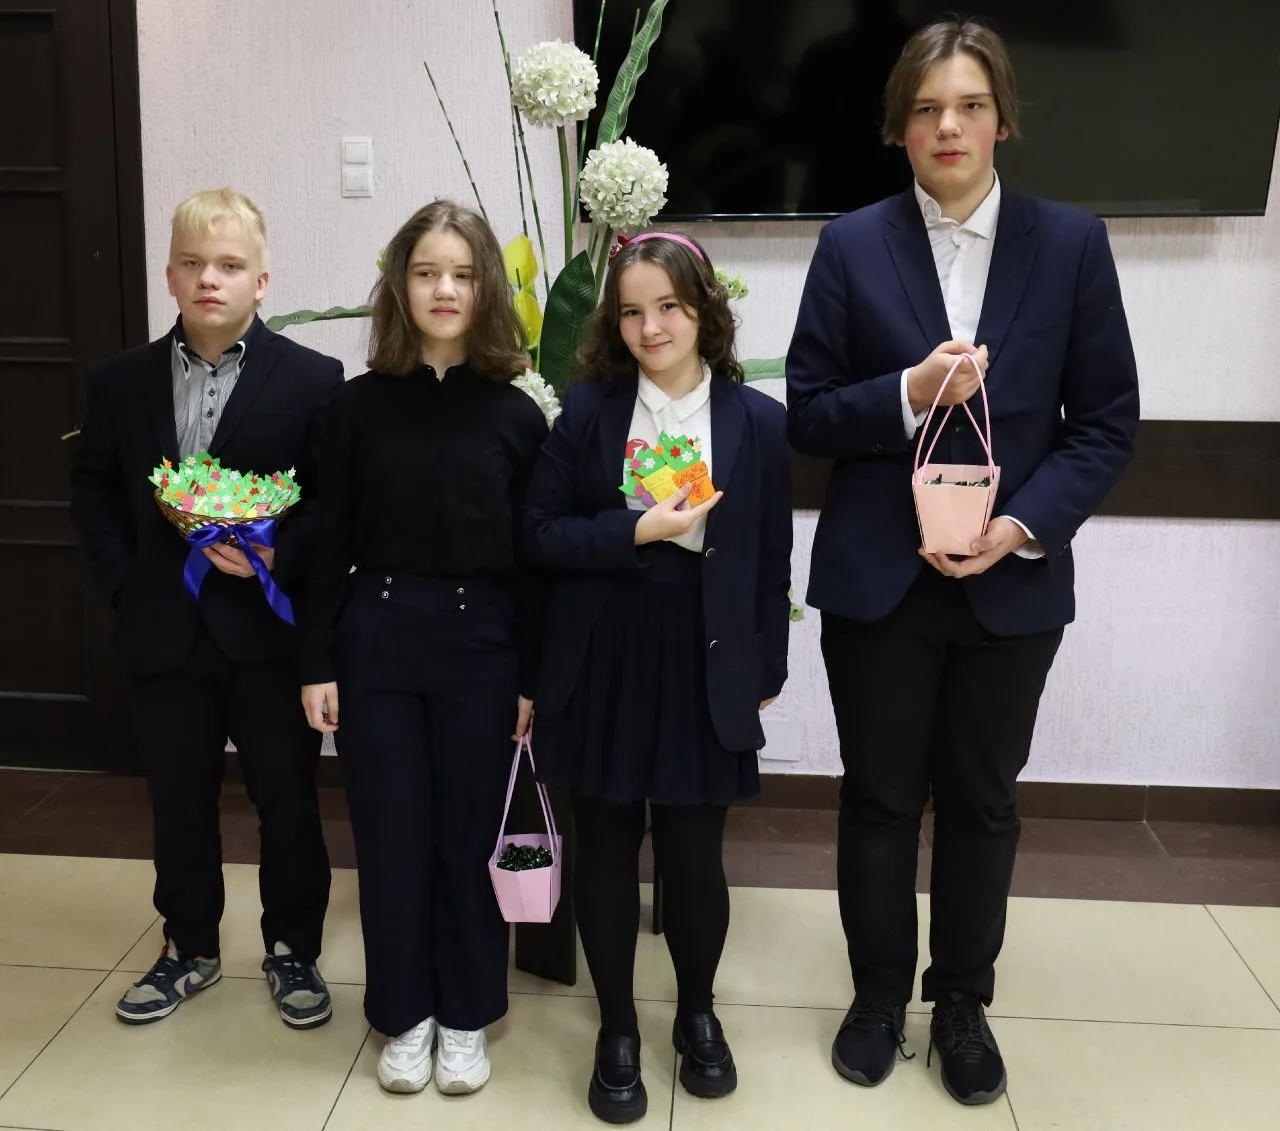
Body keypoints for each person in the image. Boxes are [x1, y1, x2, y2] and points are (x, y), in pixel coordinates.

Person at [786, 16, 1140, 1106]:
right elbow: (807, 413)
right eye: (927, 108)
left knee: (983, 802)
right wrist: (905, 391)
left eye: (970, 106)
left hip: (1011, 578)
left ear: (1001, 122)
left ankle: (961, 1004)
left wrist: (1019, 526)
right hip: (878, 577)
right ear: (899, 127)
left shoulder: (1070, 243)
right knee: (878, 799)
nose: (949, 125)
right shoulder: (850, 244)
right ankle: (876, 998)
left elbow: (1105, 424)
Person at [524, 232, 793, 1124]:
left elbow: (771, 559)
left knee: (693, 852)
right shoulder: (589, 411)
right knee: (604, 847)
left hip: (705, 654)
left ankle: (698, 1013)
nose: (651, 328)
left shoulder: (757, 422)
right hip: (606, 648)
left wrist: (767, 663)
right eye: (632, 312)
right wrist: (631, 531)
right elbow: (540, 533)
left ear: (703, 310)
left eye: (669, 307)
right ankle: (616, 1026)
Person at [70, 187, 341, 1028]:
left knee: (286, 798)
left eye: (228, 264)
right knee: (178, 798)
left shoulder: (314, 380)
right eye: (192, 263)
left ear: (262, 281)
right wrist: (125, 582)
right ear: (169, 275)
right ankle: (188, 945)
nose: (209, 279)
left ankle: (292, 946)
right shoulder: (120, 382)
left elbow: (331, 507)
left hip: (266, 630)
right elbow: (93, 488)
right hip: (164, 628)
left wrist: (277, 552)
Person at [298, 200, 548, 1096]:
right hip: (378, 638)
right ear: (400, 287)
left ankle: (468, 1012)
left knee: (469, 835)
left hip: (483, 644)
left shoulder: (518, 416)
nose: (445, 289)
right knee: (391, 832)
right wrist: (315, 661)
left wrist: (530, 677)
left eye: (464, 274)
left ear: (487, 291)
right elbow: (324, 542)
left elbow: (536, 564)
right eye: (427, 272)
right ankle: (404, 1014)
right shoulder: (353, 409)